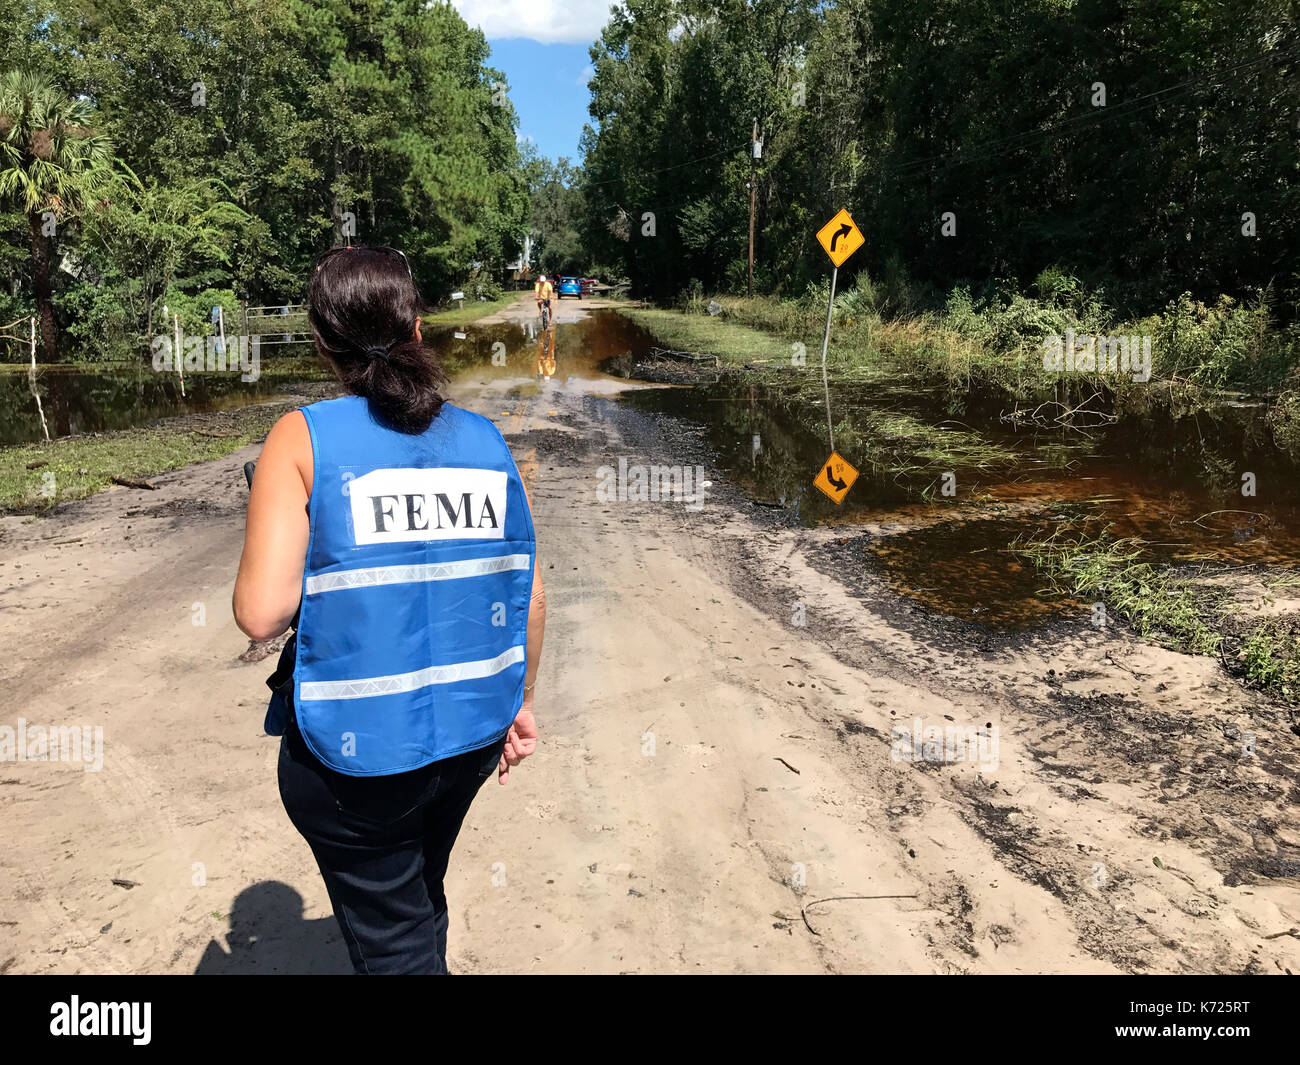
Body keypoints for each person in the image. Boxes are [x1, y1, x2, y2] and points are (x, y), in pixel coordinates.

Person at [233, 245, 546, 975]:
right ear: (417, 326)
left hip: (355, 760)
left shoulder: (303, 437)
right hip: (471, 735)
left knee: (398, 947)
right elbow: (527, 587)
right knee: (415, 896)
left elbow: (260, 612)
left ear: (320, 338)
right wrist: (521, 701)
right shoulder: (485, 440)